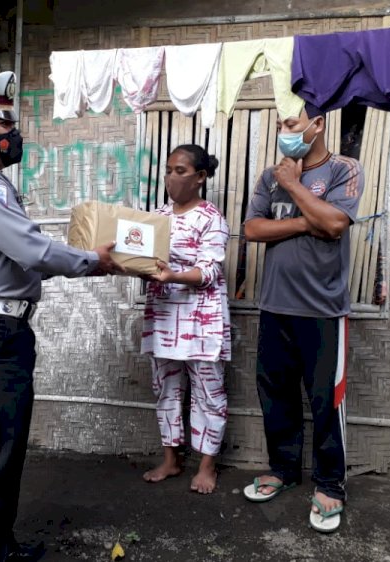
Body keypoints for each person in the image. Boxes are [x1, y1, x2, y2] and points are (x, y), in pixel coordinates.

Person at [0, 70, 123, 562]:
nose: (11, 133)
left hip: (0, 327)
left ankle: (0, 544)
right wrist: (93, 262)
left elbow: (22, 253)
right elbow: (31, 249)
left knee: (7, 445)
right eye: (1, 123)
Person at [241, 102, 364, 534]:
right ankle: (283, 469)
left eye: (290, 123)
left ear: (318, 125)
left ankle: (330, 484)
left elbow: (333, 224)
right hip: (275, 306)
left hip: (323, 310)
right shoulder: (268, 177)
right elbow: (252, 230)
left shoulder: (343, 170)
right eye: (279, 124)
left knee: (325, 402)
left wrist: (294, 189)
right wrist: (301, 222)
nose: (283, 131)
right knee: (276, 394)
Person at [140, 144, 231, 495]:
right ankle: (171, 460)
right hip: (164, 315)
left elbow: (209, 270)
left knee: (209, 392)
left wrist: (172, 276)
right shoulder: (157, 217)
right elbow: (147, 262)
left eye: (180, 171)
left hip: (201, 320)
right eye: (168, 170)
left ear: (201, 177)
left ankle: (207, 466)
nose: (171, 178)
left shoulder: (212, 218)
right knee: (165, 389)